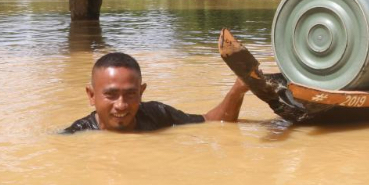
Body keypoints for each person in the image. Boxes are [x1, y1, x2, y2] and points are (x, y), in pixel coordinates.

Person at [62, 52, 249, 134]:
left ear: (141, 92)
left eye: (130, 94)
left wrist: (239, 89)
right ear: (91, 95)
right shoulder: (77, 134)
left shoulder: (157, 114)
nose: (121, 105)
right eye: (111, 95)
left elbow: (211, 122)